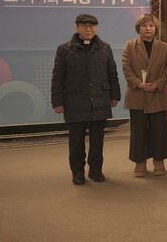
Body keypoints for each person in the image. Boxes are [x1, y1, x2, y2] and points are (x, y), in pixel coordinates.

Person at [51, 14, 120, 185]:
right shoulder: (64, 49)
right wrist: (57, 102)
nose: (88, 30)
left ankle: (96, 170)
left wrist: (115, 95)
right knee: (76, 142)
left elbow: (112, 73)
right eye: (84, 26)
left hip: (100, 100)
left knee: (98, 141)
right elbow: (58, 78)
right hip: (75, 101)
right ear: (77, 28)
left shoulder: (105, 48)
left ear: (95, 28)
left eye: (91, 26)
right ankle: (78, 172)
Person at [121, 14, 167, 177]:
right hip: (137, 95)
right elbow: (126, 69)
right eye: (144, 26)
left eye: (151, 25)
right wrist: (138, 83)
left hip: (157, 94)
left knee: (158, 131)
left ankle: (159, 162)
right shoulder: (130, 46)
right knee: (139, 131)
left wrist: (158, 84)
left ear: (156, 28)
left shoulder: (165, 48)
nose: (148, 28)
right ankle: (140, 163)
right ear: (139, 28)